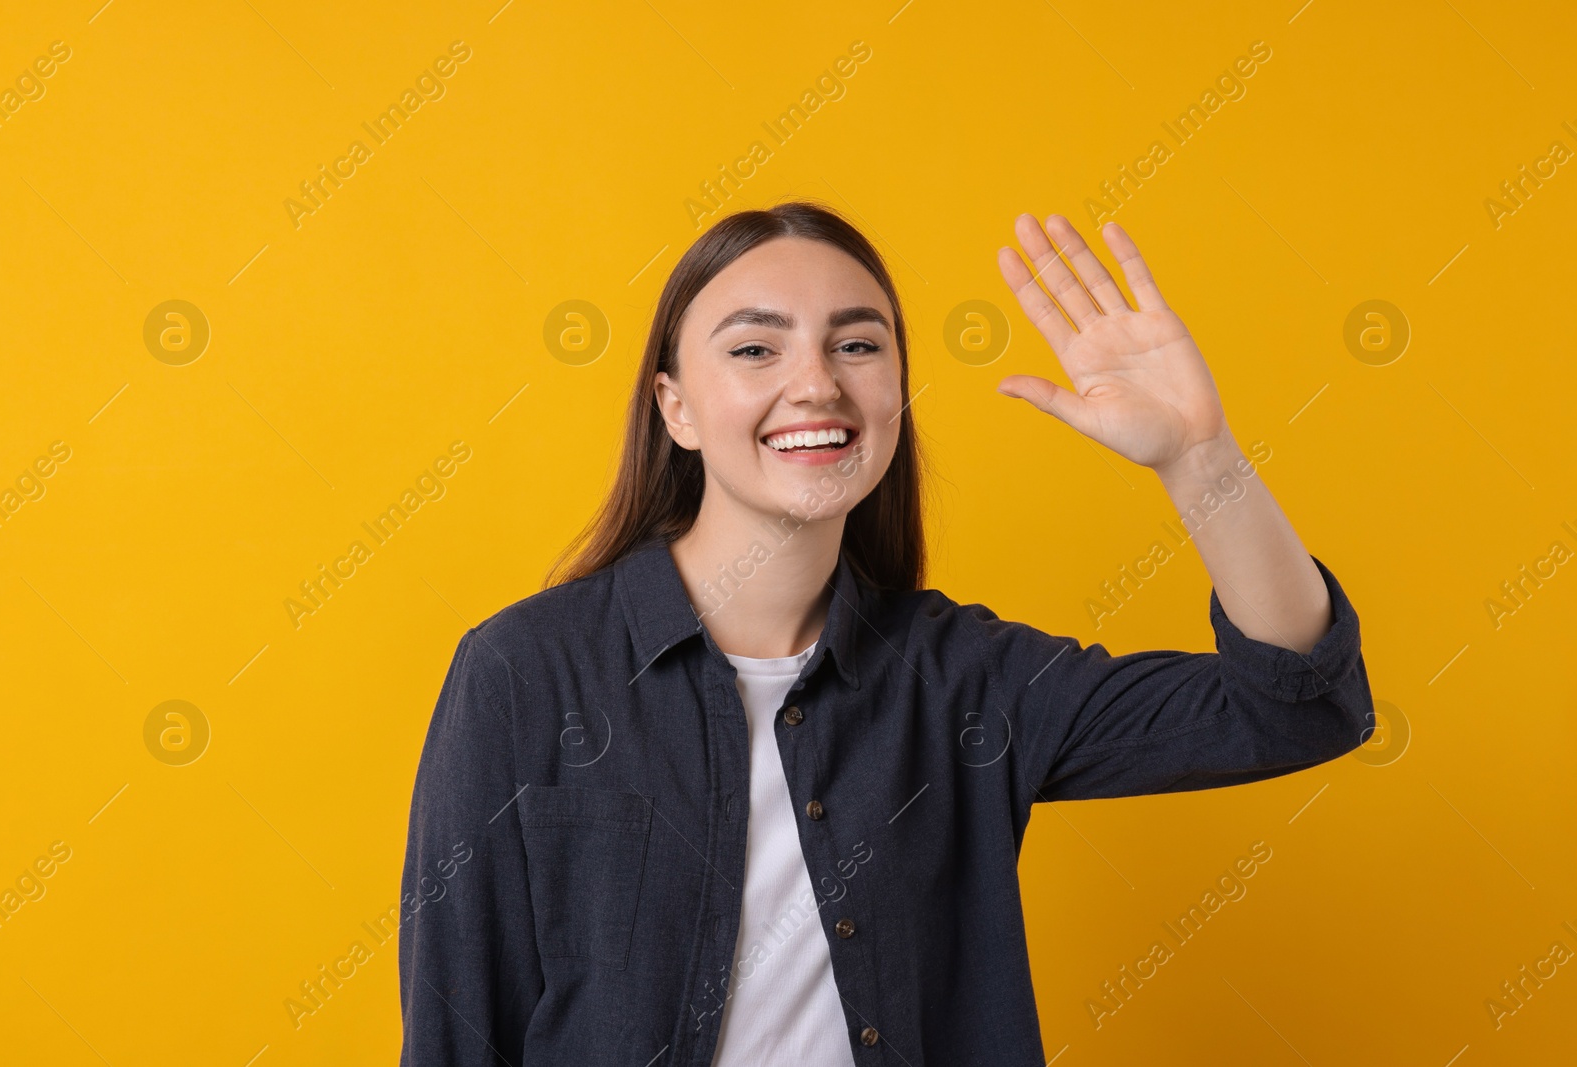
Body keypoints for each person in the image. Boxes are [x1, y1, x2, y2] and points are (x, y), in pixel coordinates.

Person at [397, 200, 1374, 1066]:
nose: (816, 382)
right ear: (677, 406)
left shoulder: (960, 680)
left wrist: (1199, 458)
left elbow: (1295, 704)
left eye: (857, 345)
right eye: (754, 348)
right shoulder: (522, 673)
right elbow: (455, 1032)